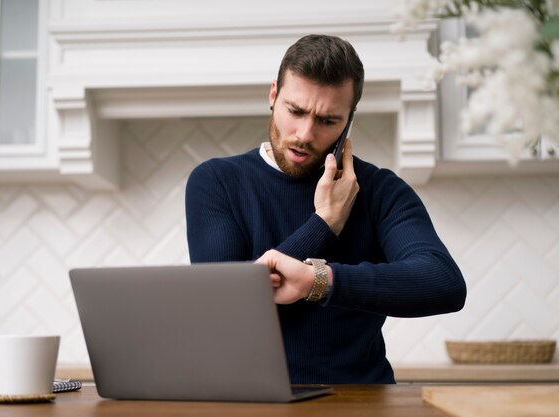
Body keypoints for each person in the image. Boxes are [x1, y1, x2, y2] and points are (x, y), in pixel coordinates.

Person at [185, 34, 466, 384]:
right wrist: (324, 223)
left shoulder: (380, 190)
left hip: (362, 403)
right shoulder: (216, 181)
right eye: (296, 111)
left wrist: (321, 280)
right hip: (250, 401)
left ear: (350, 118)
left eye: (328, 120)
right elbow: (223, 308)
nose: (305, 133)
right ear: (273, 95)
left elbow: (443, 283)